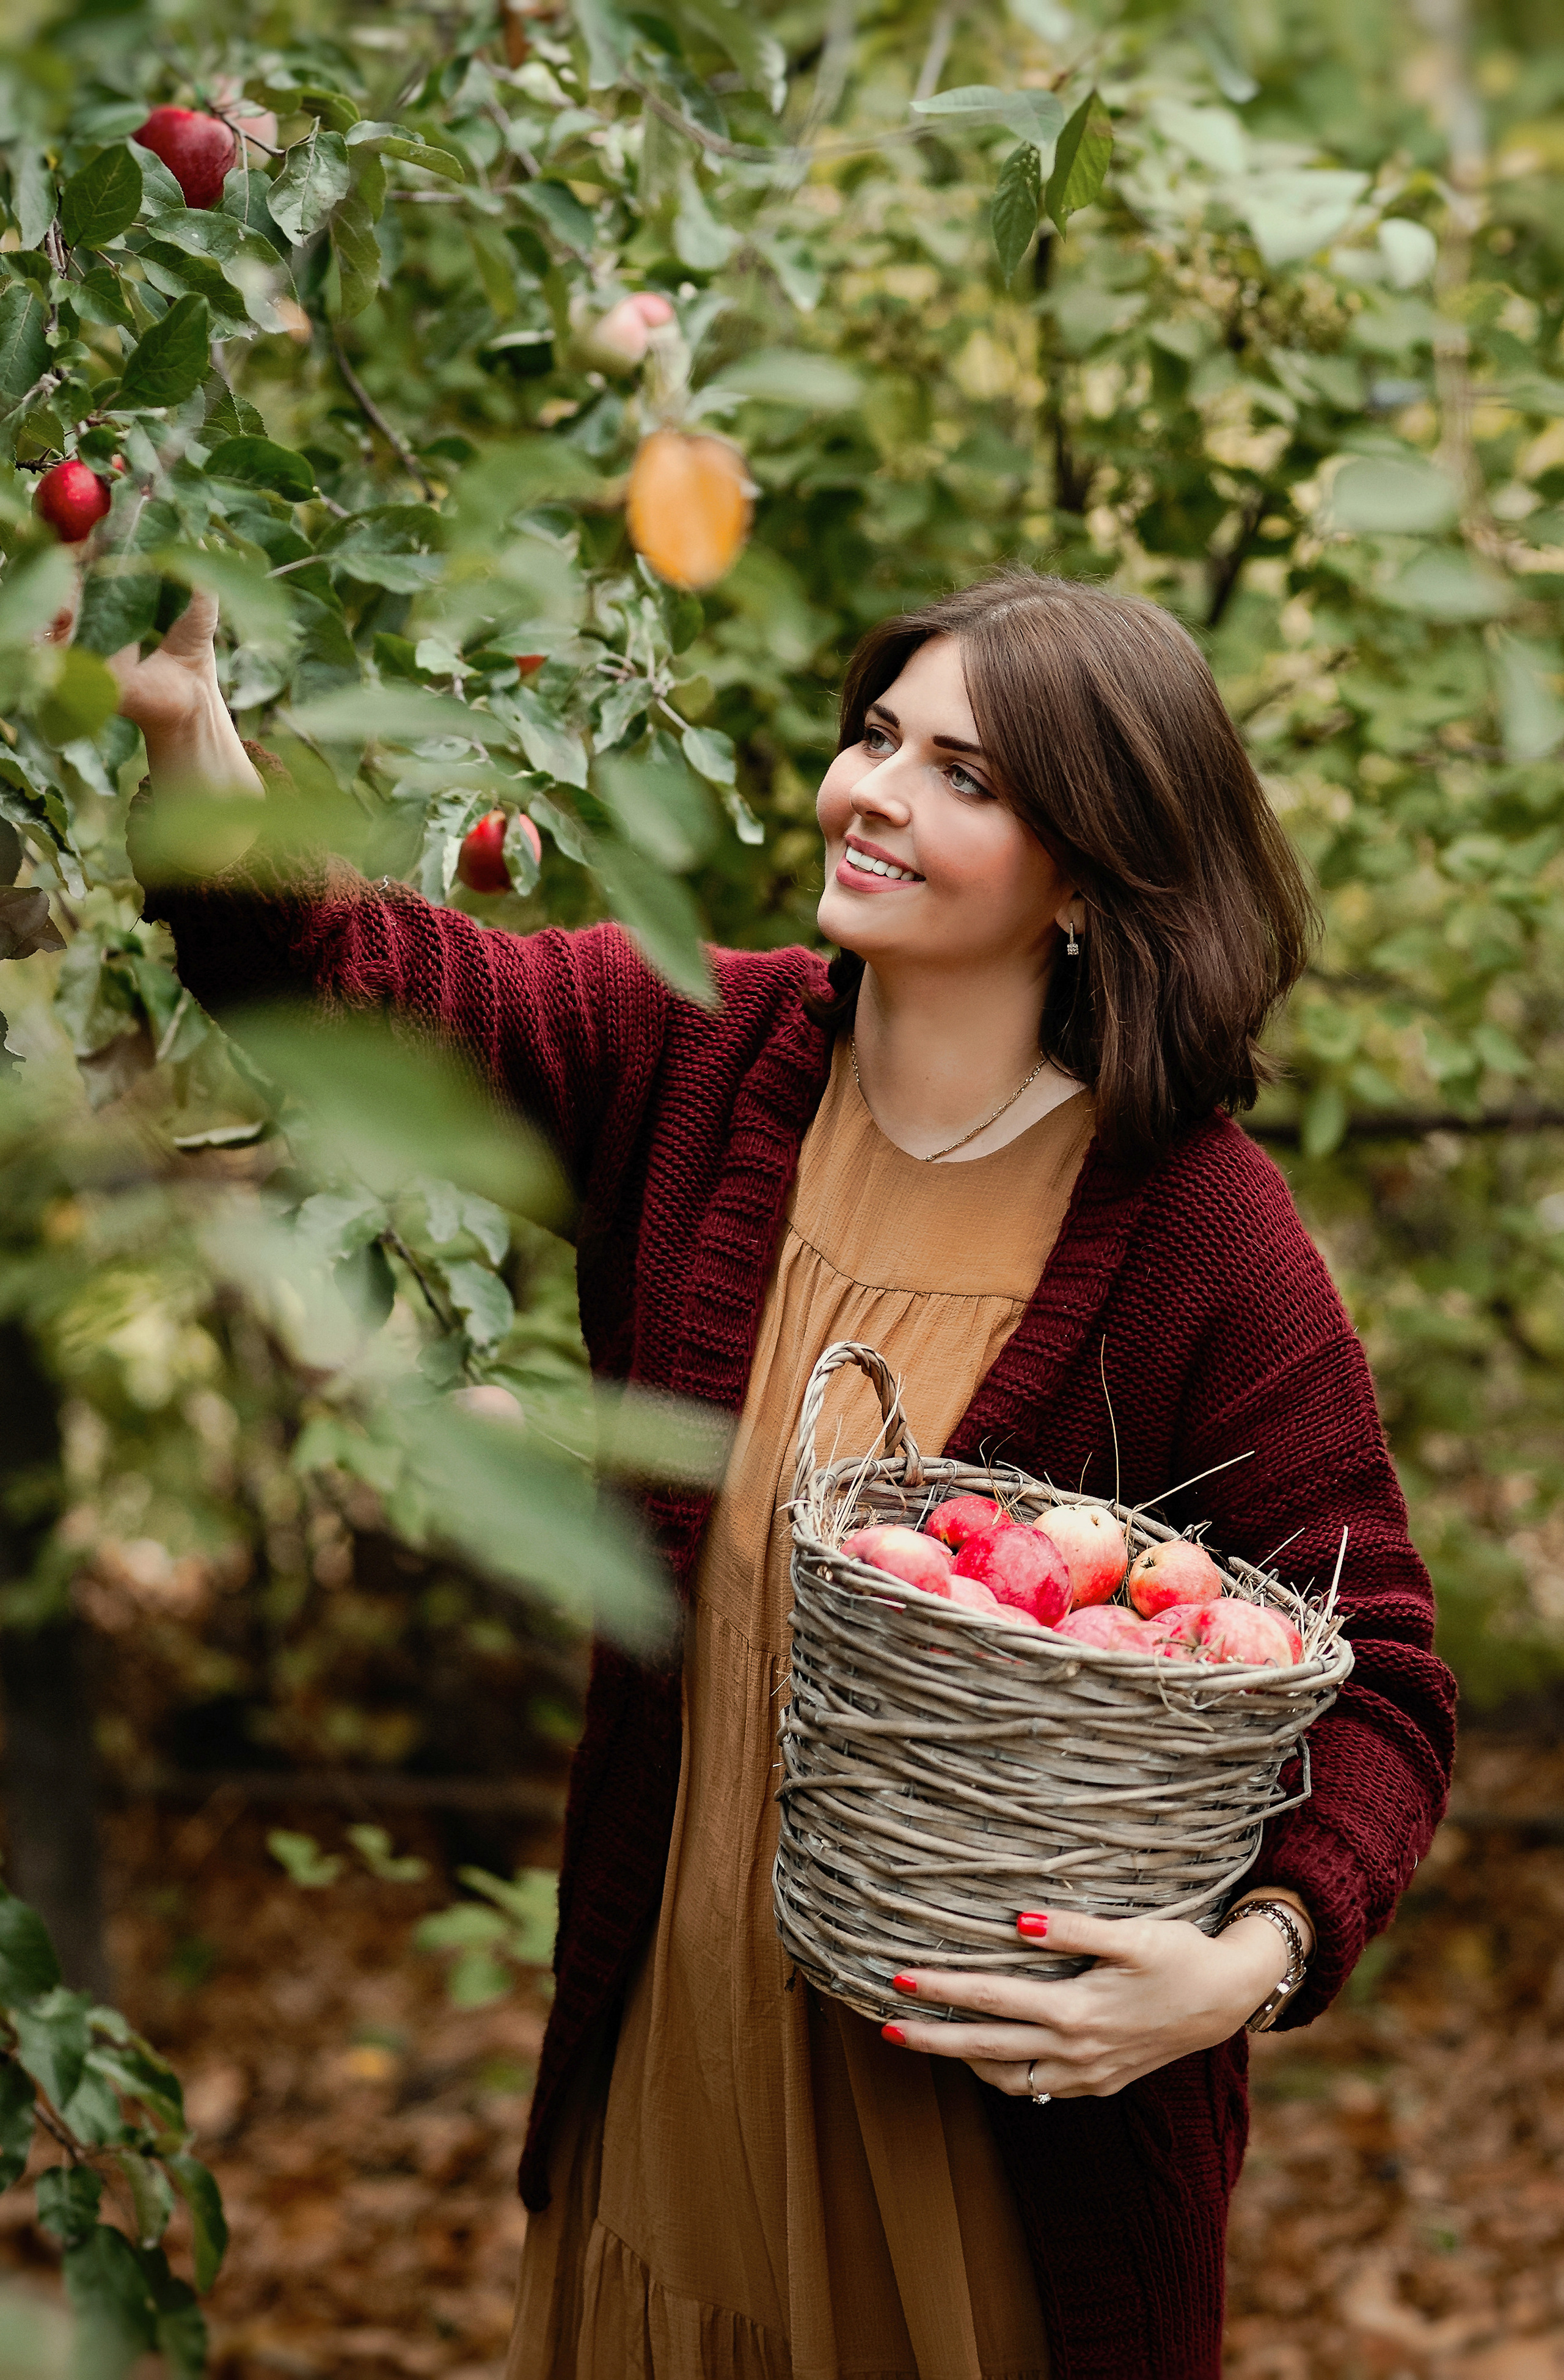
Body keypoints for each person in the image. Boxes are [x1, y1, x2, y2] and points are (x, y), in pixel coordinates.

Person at [117, 566, 1455, 2379]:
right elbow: (367, 980)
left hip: (983, 2166)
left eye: (964, 777)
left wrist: (1245, 1967)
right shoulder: (703, 1053)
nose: (874, 795)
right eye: (877, 738)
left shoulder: (1198, 1231)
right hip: (676, 2078)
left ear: (1088, 877)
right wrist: (187, 733)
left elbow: (1386, 1675)